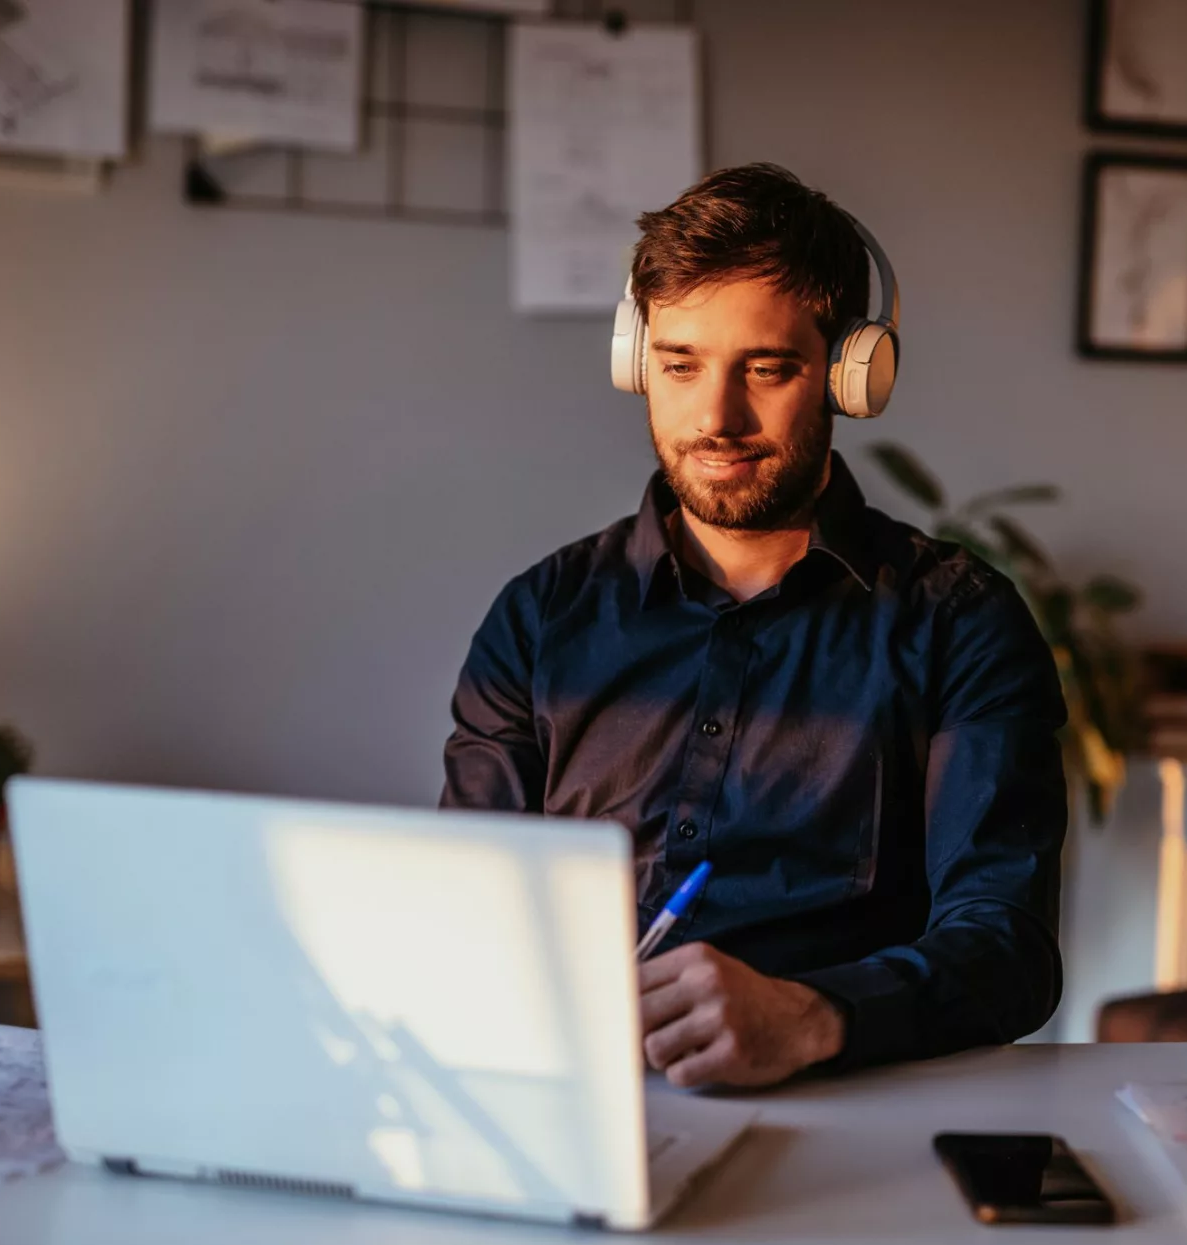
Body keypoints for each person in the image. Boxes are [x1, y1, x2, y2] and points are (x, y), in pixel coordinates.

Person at [442, 163, 1066, 1089]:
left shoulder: (960, 624)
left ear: (852, 377)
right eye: (680, 365)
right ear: (636, 362)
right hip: (571, 1097)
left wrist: (815, 1018)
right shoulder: (539, 617)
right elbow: (466, 908)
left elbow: (1006, 948)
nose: (716, 418)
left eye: (766, 370)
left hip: (842, 1100)